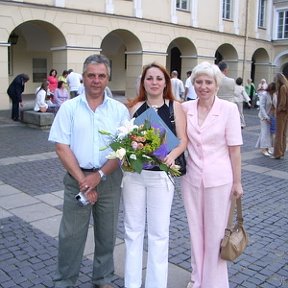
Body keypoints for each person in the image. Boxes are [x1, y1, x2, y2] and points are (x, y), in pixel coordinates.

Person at [48, 54, 130, 288]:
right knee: (71, 236)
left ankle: (102, 279)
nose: (96, 80)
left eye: (101, 76)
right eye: (91, 75)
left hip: (109, 180)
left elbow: (122, 149)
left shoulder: (119, 110)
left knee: (107, 234)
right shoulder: (69, 108)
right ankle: (64, 281)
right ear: (83, 78)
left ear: (108, 79)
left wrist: (100, 175)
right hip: (77, 179)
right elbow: (61, 147)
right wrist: (85, 181)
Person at [123, 62, 187, 288]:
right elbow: (127, 138)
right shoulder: (134, 108)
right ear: (143, 82)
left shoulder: (175, 107)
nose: (154, 82)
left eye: (159, 78)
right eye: (149, 78)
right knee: (133, 231)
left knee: (159, 234)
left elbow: (183, 140)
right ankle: (131, 283)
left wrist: (173, 154)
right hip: (135, 177)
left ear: (166, 82)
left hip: (161, 178)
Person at [181, 62, 243, 288]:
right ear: (193, 83)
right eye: (199, 81)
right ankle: (197, 278)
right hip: (192, 180)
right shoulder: (185, 108)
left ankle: (214, 282)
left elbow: (234, 150)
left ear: (217, 84)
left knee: (216, 233)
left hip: (220, 181)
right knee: (195, 231)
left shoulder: (228, 109)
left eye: (208, 82)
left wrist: (237, 182)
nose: (203, 86)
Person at [255, 82, 276, 156]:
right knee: (265, 133)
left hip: (271, 115)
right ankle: (263, 149)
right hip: (264, 116)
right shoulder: (264, 94)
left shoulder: (273, 94)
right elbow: (262, 107)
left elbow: (274, 104)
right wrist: (266, 117)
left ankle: (266, 148)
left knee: (265, 133)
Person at [272, 73, 288, 159]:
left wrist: (278, 110)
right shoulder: (286, 86)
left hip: (281, 113)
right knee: (284, 133)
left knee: (279, 133)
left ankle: (277, 153)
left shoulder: (282, 87)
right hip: (286, 113)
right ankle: (282, 151)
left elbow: (282, 101)